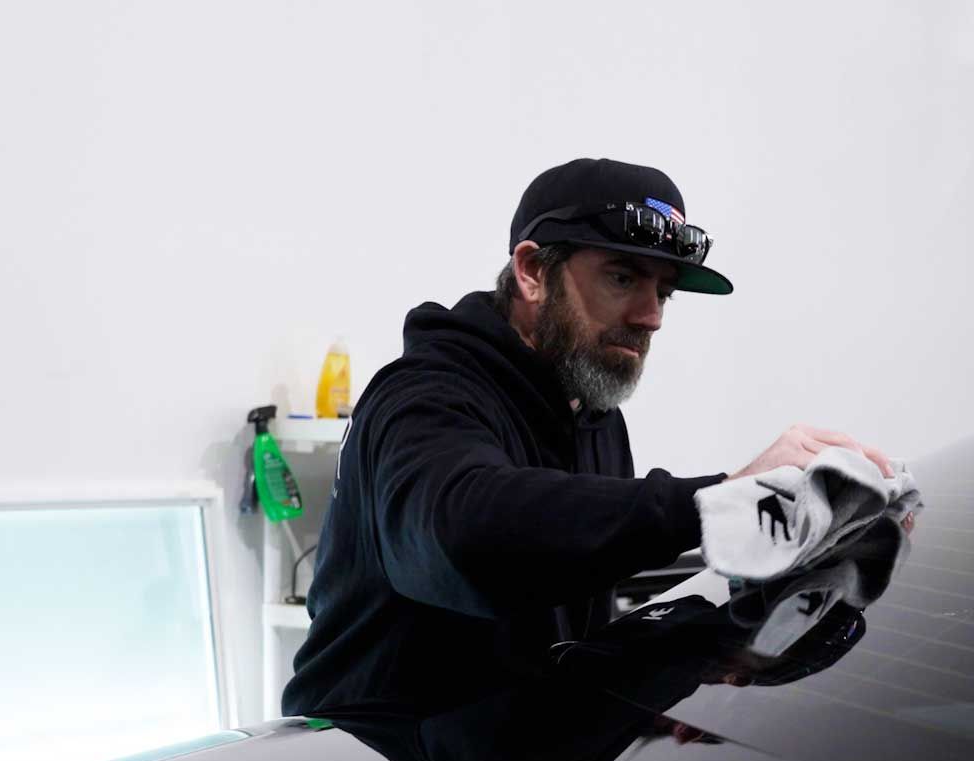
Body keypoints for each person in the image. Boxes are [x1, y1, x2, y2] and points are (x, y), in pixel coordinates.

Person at [282, 157, 891, 719]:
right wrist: (724, 501)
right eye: (623, 278)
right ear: (531, 272)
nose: (650, 314)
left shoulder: (593, 412)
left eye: (664, 291)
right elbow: (467, 539)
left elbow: (571, 595)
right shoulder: (424, 396)